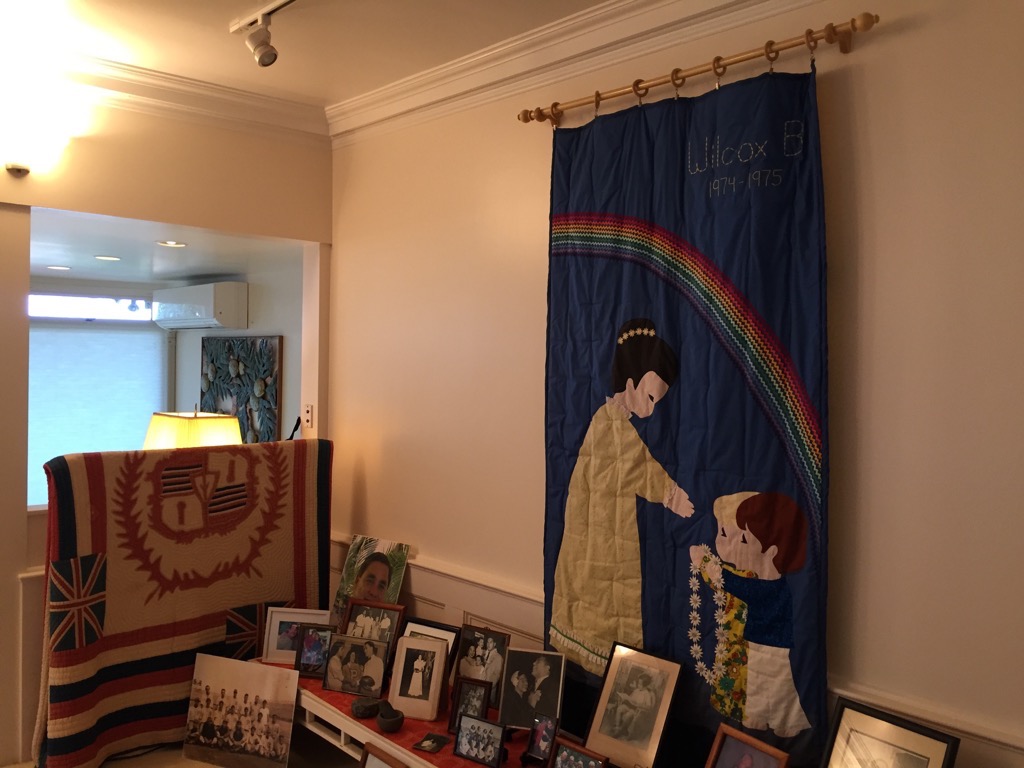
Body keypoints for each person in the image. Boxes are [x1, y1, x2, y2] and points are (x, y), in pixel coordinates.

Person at [550, 318, 694, 675]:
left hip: (601, 522)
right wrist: (671, 494)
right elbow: (637, 464)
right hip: (599, 527)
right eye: (650, 397)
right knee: (602, 590)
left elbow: (634, 464)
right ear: (630, 382)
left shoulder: (612, 420)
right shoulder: (611, 421)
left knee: (599, 587)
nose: (652, 409)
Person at [695, 491, 811, 737]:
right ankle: (767, 720)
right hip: (763, 642)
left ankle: (778, 723)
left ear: (772, 551)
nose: (733, 547)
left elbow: (736, 585)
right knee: (765, 683)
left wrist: (706, 565)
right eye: (723, 533)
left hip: (769, 643)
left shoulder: (770, 585)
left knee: (771, 683)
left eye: (744, 540)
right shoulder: (766, 580)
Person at [609, 672, 656, 741]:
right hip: (630, 706)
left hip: (637, 710)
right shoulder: (636, 690)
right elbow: (631, 698)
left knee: (628, 714)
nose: (638, 685)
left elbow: (648, 706)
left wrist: (638, 704)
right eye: (638, 683)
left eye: (640, 684)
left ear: (645, 685)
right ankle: (617, 727)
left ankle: (620, 730)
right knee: (620, 708)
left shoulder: (647, 694)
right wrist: (625, 697)